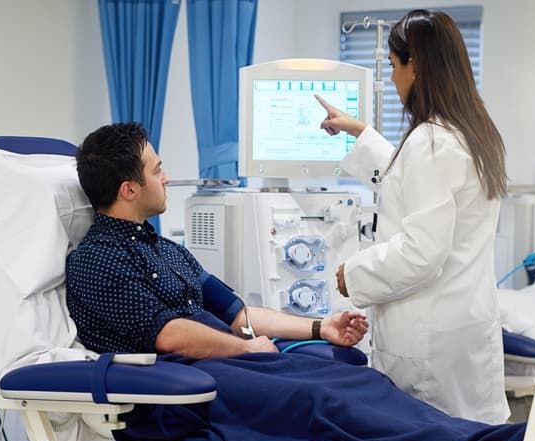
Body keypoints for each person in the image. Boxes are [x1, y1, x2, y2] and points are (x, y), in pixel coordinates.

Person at [315, 9, 509, 424]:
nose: (393, 77)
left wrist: (355, 273)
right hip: (464, 325)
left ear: (414, 66)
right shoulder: (472, 133)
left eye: (392, 65)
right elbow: (413, 183)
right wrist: (361, 132)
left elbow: (422, 252)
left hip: (428, 342)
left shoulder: (431, 142)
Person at [66, 121, 368, 358]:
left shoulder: (168, 251)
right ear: (129, 190)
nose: (167, 178)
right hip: (187, 384)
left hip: (229, 364)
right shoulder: (97, 261)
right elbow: (167, 334)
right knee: (329, 399)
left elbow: (238, 313)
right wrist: (245, 349)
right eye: (158, 171)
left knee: (352, 375)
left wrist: (321, 327)